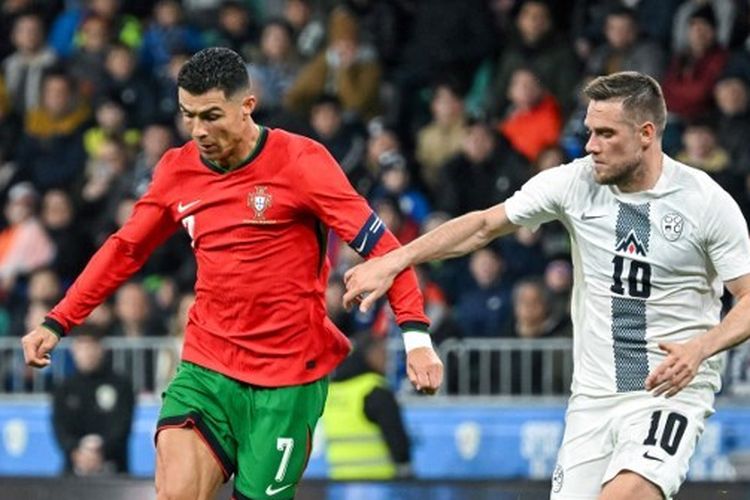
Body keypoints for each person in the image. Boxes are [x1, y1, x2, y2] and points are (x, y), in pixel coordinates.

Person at [21, 47, 442, 500]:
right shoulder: (177, 170)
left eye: (211, 116)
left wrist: (416, 340)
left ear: (248, 107)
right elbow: (125, 249)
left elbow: (386, 251)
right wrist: (58, 319)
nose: (198, 131)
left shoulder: (301, 162)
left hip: (287, 380)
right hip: (208, 367)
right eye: (188, 116)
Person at [343, 71, 750, 499]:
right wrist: (396, 259)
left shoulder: (704, 202)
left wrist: (701, 348)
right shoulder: (575, 183)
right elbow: (483, 226)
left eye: (606, 134)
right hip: (592, 397)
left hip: (669, 391)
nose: (591, 145)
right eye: (590, 132)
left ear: (646, 133)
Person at [322, 332, 413, 479]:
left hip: (340, 483)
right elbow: (396, 438)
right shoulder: (374, 390)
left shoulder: (331, 391)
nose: (387, 359)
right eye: (383, 352)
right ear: (370, 354)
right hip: (378, 484)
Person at [51, 325, 135, 475]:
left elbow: (122, 427)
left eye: (91, 347)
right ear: (73, 350)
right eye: (82, 348)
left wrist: (102, 451)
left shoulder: (121, 385)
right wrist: (76, 450)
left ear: (101, 349)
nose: (87, 353)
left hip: (114, 471)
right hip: (72, 472)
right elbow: (60, 428)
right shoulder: (64, 388)